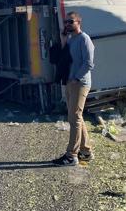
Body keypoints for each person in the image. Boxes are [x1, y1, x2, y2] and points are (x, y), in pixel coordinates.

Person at [52, 11, 95, 166]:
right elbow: (59, 58)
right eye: (65, 22)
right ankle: (86, 151)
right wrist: (63, 41)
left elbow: (89, 63)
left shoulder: (84, 39)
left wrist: (76, 77)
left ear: (78, 22)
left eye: (70, 21)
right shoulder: (70, 40)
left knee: (74, 117)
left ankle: (71, 155)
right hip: (70, 82)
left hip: (80, 83)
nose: (67, 24)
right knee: (77, 117)